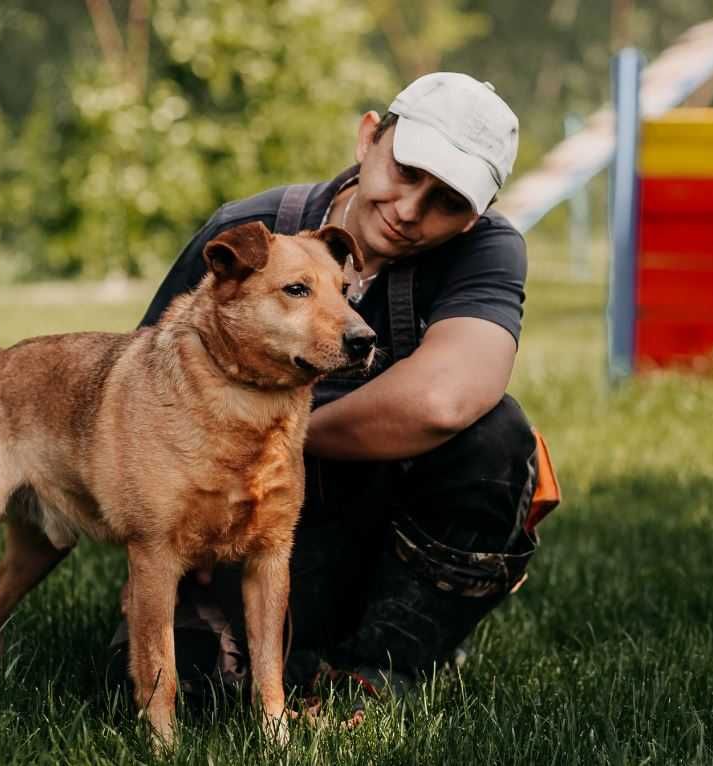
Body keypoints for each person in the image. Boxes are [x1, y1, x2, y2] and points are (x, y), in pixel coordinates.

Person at [111, 72, 559, 717]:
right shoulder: (247, 230)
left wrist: (261, 443)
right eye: (406, 171)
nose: (409, 210)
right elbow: (142, 403)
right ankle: (280, 644)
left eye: (447, 201)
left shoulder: (486, 252)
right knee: (195, 698)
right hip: (235, 528)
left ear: (476, 217)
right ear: (369, 137)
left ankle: (387, 662)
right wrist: (198, 498)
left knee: (498, 436)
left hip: (384, 524)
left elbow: (445, 399)